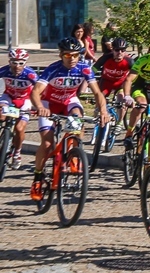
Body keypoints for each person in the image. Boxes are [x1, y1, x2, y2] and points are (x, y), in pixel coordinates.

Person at [29, 38, 107, 200]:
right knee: (48, 143)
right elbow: (35, 92)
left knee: (78, 120)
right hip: (49, 103)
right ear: (61, 55)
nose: (71, 58)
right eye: (67, 55)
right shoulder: (53, 69)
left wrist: (103, 111)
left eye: (75, 55)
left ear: (80, 55)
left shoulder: (84, 69)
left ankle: (74, 155)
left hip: (69, 101)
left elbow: (98, 93)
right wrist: (40, 108)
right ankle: (37, 177)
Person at [0, 49, 38, 170]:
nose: (17, 66)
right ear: (9, 62)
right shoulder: (4, 70)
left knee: (19, 128)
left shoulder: (30, 74)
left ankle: (17, 152)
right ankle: (4, 136)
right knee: (1, 115)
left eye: (21, 63)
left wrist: (37, 107)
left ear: (25, 63)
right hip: (9, 97)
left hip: (25, 100)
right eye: (14, 62)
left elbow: (41, 90)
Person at [93, 37, 133, 124]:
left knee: (122, 101)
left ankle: (119, 123)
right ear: (113, 49)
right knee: (100, 100)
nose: (120, 53)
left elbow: (135, 74)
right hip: (106, 82)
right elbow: (93, 69)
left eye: (123, 50)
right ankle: (97, 119)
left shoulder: (129, 61)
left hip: (120, 83)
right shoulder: (106, 58)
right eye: (117, 50)